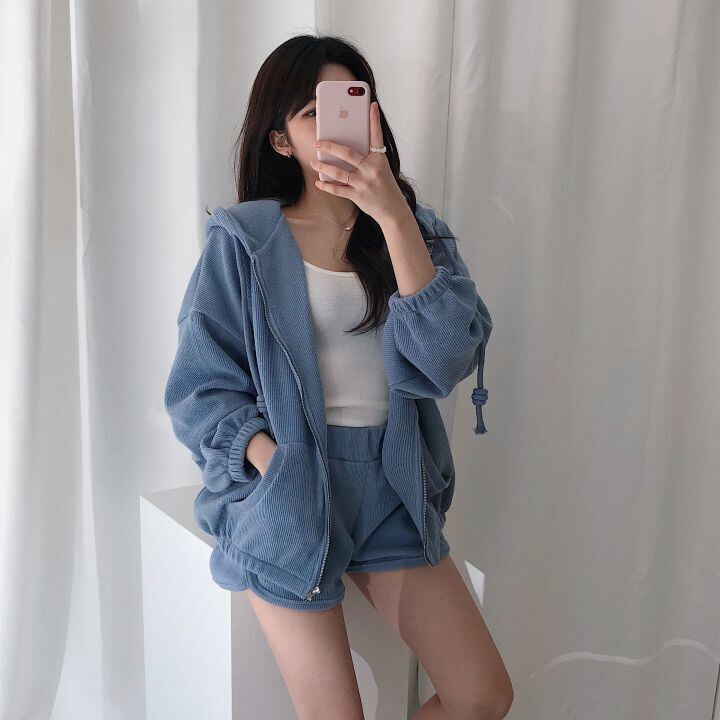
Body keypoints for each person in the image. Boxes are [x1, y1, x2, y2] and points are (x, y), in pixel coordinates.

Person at [165, 33, 513, 720]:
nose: (337, 127)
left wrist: (392, 215)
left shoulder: (417, 233)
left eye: (353, 104)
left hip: (393, 485)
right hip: (291, 490)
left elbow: (445, 362)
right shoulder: (245, 241)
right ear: (280, 141)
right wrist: (275, 462)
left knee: (482, 696)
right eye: (313, 113)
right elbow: (200, 386)